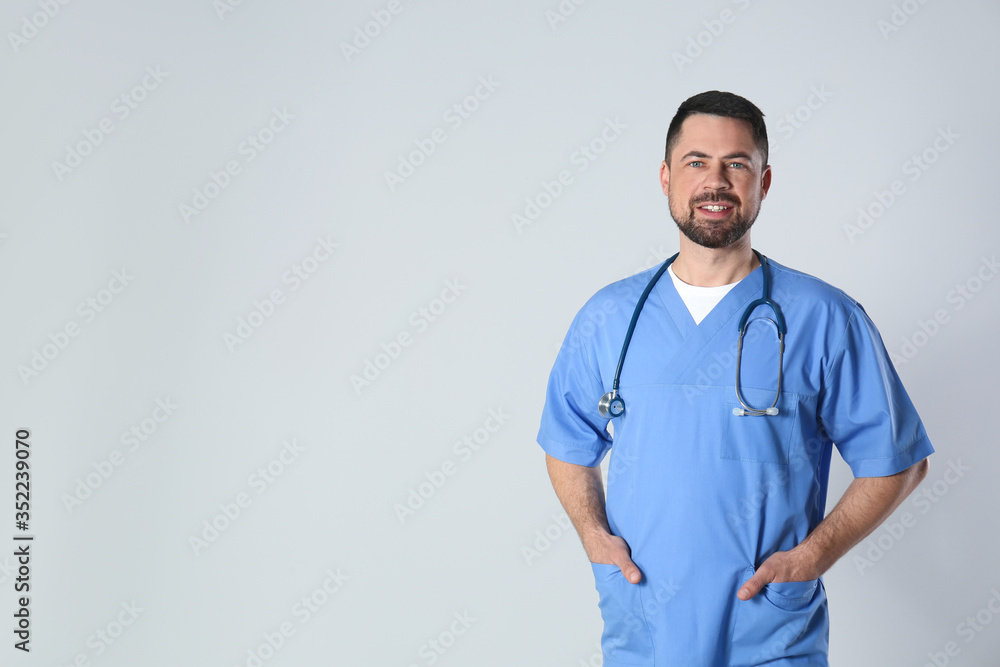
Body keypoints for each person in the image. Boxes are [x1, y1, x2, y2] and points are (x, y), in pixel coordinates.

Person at [536, 90, 933, 666]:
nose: (715, 182)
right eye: (697, 162)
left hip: (769, 631)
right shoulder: (609, 317)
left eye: (736, 164)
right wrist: (596, 541)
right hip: (643, 628)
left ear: (763, 182)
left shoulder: (823, 316)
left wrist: (811, 558)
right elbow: (567, 441)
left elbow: (899, 461)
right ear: (666, 176)